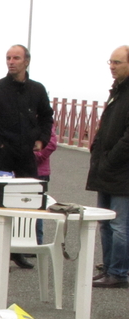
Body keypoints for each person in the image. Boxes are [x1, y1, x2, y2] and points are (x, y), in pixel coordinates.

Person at [0, 44, 54, 270]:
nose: (11, 61)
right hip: (3, 157)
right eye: (8, 58)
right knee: (0, 206)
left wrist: (42, 140)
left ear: (26, 61)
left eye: (16, 58)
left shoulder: (37, 89)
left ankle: (18, 251)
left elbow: (47, 117)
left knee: (27, 205)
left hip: (27, 157)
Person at [86, 45, 129, 289]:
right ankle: (110, 267)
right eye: (110, 62)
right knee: (105, 222)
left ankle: (119, 272)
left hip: (122, 172)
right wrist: (98, 153)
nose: (112, 67)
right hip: (106, 169)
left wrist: (110, 158)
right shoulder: (116, 92)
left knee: (120, 224)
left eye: (117, 62)